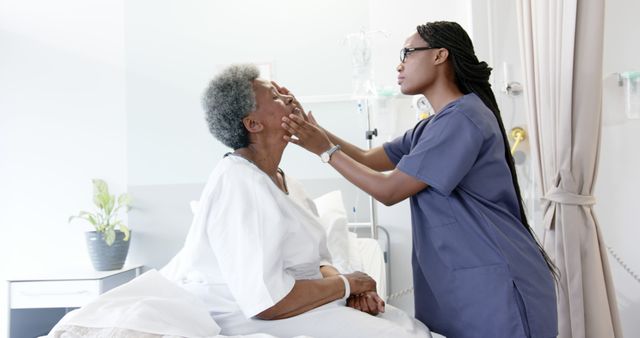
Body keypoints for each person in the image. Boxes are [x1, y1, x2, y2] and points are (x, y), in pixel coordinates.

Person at [280, 21, 558, 338]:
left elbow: (388, 190)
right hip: (460, 284)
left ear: (440, 55)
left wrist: (325, 151)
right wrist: (310, 129)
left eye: (408, 53)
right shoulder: (434, 125)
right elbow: (369, 158)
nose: (399, 65)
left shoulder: (463, 119)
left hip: (495, 284)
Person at [161, 64, 432, 338]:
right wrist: (348, 285)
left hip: (303, 301)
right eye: (276, 97)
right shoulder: (238, 183)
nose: (290, 98)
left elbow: (318, 262)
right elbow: (267, 300)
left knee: (405, 325)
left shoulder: (284, 182)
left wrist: (351, 290)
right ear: (253, 124)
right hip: (257, 313)